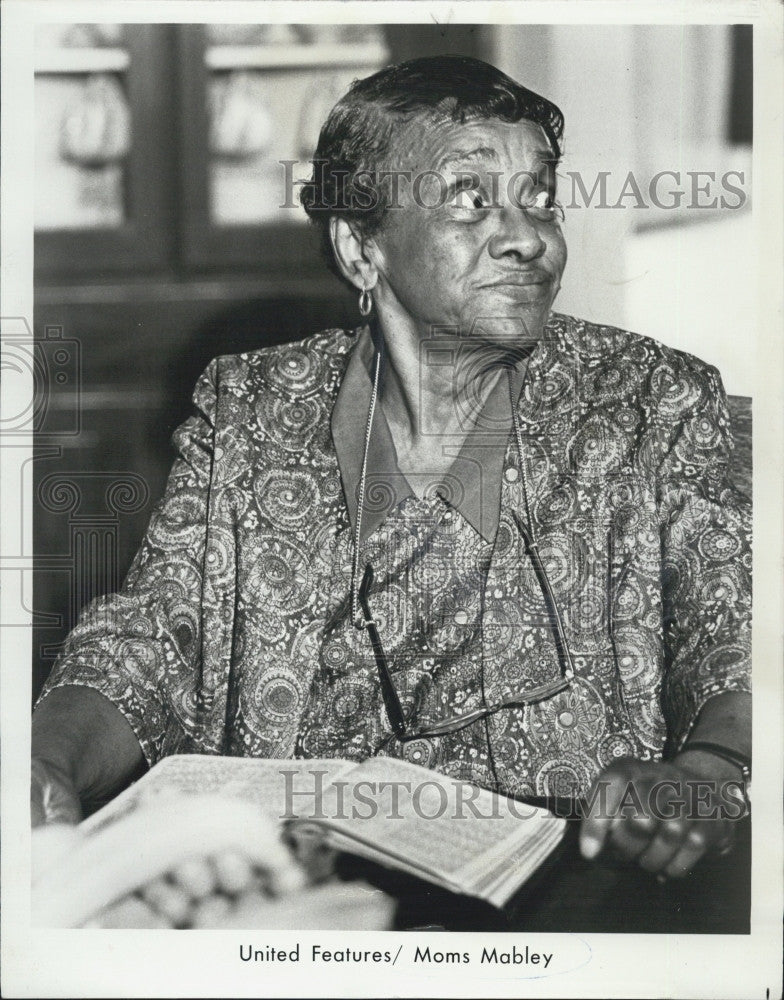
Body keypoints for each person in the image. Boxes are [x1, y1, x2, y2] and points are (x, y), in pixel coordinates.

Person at [32, 55, 751, 904]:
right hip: (290, 904)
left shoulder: (648, 403)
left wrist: (709, 771)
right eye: (471, 199)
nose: (528, 235)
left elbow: (734, 645)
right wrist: (43, 763)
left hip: (562, 910)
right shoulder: (253, 407)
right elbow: (146, 645)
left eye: (541, 198)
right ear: (361, 247)